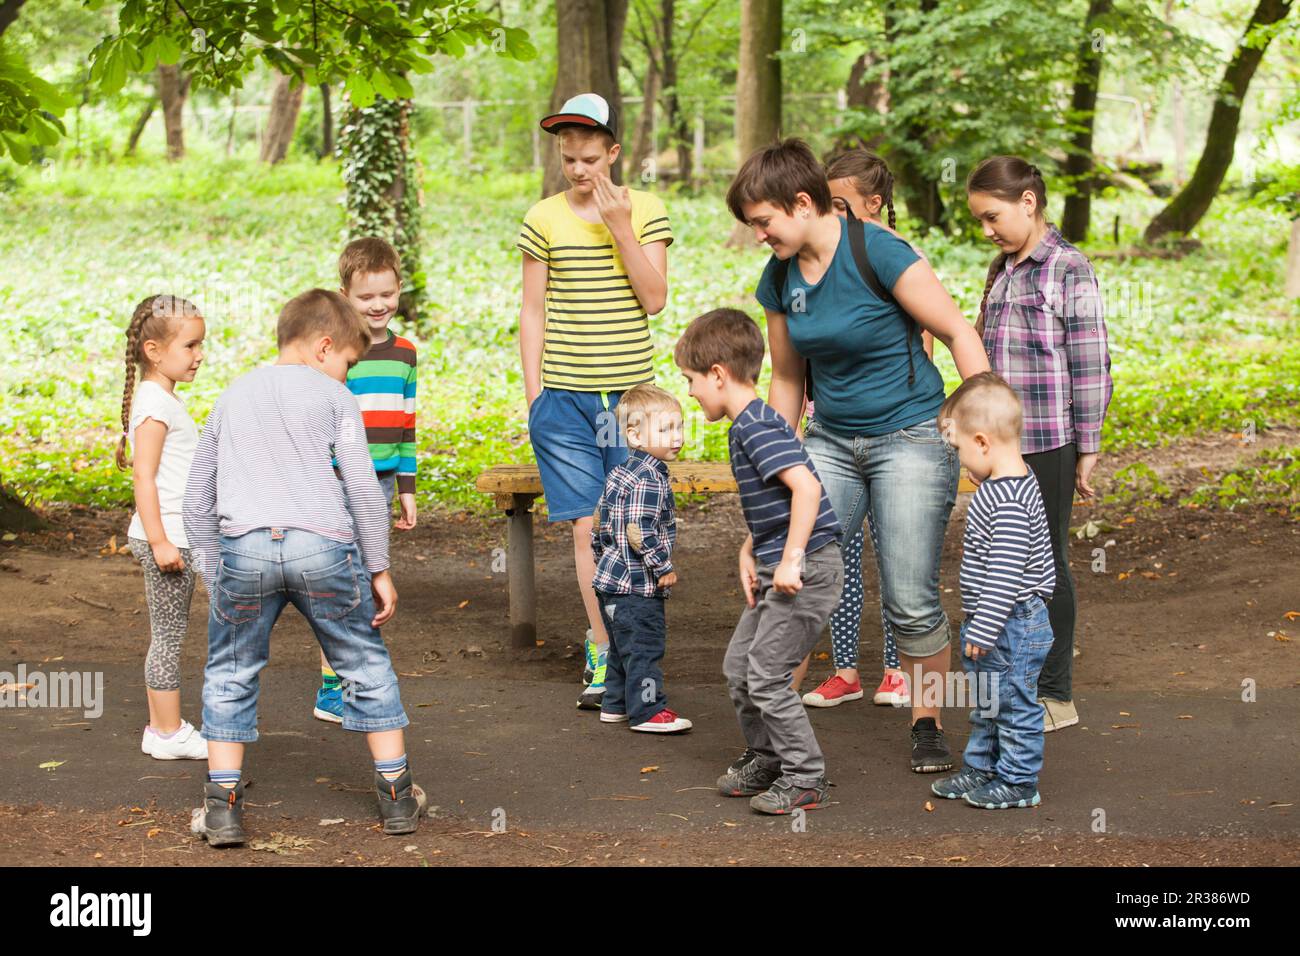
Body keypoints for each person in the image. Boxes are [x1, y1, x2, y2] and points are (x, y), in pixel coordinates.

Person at [729, 138, 989, 773]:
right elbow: (788, 381)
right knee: (793, 575)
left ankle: (926, 722)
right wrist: (773, 477)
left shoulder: (879, 250)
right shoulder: (781, 277)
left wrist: (989, 439)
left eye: (764, 221)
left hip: (910, 435)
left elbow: (958, 332)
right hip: (830, 441)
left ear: (801, 202)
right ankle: (772, 741)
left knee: (909, 595)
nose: (759, 235)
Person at [183, 289, 425, 846]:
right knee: (363, 662)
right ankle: (397, 798)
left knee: (229, 670)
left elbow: (196, 499)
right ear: (323, 347)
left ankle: (222, 807)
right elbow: (364, 489)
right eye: (346, 363)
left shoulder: (232, 394)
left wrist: (214, 572)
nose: (345, 374)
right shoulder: (335, 399)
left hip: (244, 546)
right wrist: (378, 567)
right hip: (322, 547)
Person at [516, 92, 672, 710]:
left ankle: (636, 651)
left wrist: (619, 226)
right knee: (587, 526)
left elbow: (655, 298)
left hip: (627, 402)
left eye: (589, 158)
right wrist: (535, 396)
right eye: (568, 159)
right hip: (564, 401)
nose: (579, 170)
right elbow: (532, 310)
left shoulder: (649, 209)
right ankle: (605, 650)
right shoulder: (542, 218)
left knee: (628, 525)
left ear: (613, 153)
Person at [676, 307, 844, 815]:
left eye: (690, 381)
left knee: (767, 674)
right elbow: (777, 500)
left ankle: (806, 776)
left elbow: (808, 488)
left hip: (807, 567)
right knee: (739, 666)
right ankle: (768, 756)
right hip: (779, 564)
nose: (689, 392)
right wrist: (752, 548)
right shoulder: (748, 424)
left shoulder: (756, 425)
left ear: (719, 375)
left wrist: (790, 560)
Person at [966, 156, 1112, 733]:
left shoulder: (1068, 268)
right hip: (999, 444)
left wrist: (1089, 442)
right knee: (1004, 560)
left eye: (993, 216)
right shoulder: (999, 270)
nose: (987, 230)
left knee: (1044, 561)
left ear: (1029, 202)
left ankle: (1055, 694)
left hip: (1049, 438)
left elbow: (1091, 359)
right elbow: (979, 343)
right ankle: (1015, 683)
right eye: (980, 220)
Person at [799, 148, 937, 709]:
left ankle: (897, 670)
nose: (830, 216)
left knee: (897, 558)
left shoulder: (897, 257)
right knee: (838, 557)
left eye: (841, 204)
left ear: (873, 203)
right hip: (831, 427)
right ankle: (847, 669)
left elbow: (924, 344)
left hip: (898, 430)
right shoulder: (813, 262)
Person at [931, 372, 1056, 808]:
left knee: (1014, 705)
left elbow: (1005, 574)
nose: (963, 464)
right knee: (987, 702)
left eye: (962, 452)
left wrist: (982, 629)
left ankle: (1019, 781)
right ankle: (982, 768)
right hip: (996, 623)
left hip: (1012, 625)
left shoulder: (1007, 500)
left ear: (983, 442)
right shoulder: (1007, 484)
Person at [313, 236, 419, 724]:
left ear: (400, 289)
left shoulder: (405, 355)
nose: (378, 305)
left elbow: (408, 426)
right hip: (336, 480)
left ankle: (356, 674)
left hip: (379, 485)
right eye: (366, 297)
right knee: (339, 577)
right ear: (344, 296)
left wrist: (407, 490)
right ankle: (333, 683)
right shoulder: (337, 354)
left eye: (387, 294)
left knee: (368, 576)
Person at [117, 294, 209, 760]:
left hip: (178, 534)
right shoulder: (155, 404)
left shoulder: (161, 399)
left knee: (169, 632)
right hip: (169, 538)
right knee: (168, 636)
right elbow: (144, 476)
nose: (199, 355)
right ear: (154, 351)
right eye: (190, 345)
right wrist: (159, 541)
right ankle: (168, 731)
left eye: (200, 345)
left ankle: (162, 728)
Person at [591, 383, 691, 733]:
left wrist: (603, 559)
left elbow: (599, 523)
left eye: (679, 426)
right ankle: (648, 710)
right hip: (637, 588)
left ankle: (615, 704)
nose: (676, 436)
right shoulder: (651, 477)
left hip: (610, 584)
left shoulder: (619, 472)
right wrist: (662, 566)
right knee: (646, 648)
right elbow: (640, 530)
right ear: (634, 435)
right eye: (665, 429)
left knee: (622, 648)